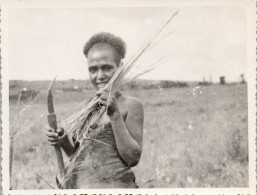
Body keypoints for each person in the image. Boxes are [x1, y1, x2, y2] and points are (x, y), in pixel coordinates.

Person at [46, 32, 144, 188]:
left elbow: (132, 159)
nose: (100, 76)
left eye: (106, 68)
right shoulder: (84, 108)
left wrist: (115, 115)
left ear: (120, 68)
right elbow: (77, 158)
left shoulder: (131, 105)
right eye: (93, 70)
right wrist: (63, 141)